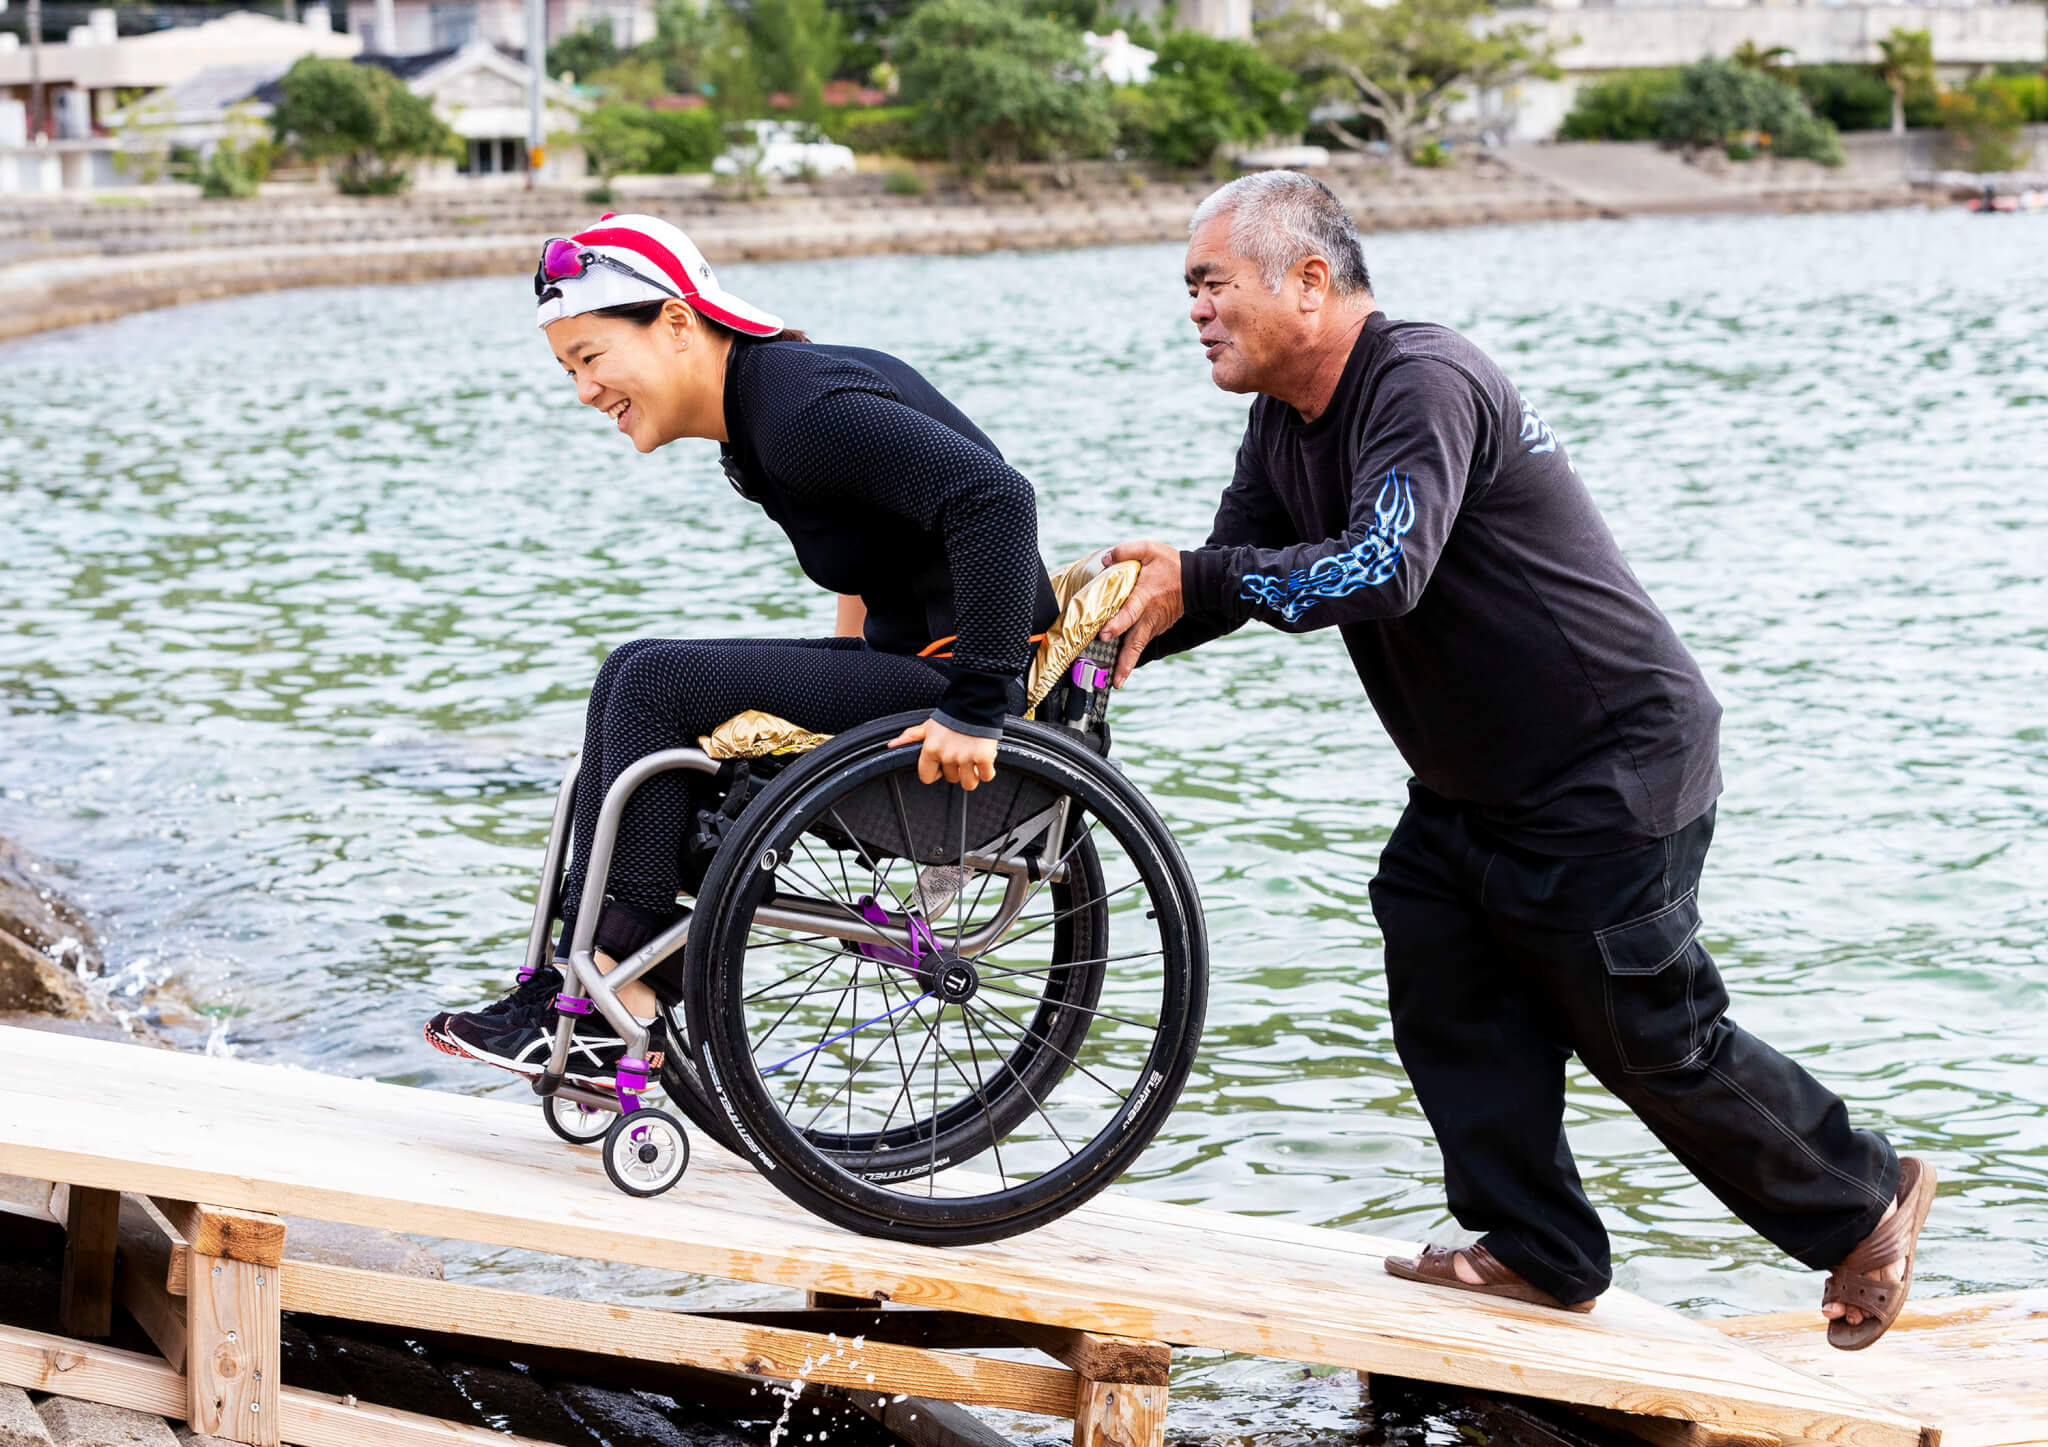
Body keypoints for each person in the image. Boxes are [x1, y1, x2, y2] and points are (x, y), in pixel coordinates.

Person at [1101, 172, 1935, 1349]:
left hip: (1610, 764)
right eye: (1187, 287)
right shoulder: (1282, 422)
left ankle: (1864, 1196)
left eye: (1210, 282)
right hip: (1477, 782)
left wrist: (1201, 575)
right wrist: (1090, 628)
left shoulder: (1419, 380)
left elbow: (1379, 568)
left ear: (1308, 281)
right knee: (1439, 961)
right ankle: (1539, 1249)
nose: (1193, 308)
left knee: (1644, 1031)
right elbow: (1233, 575)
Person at [424, 213, 1057, 1088]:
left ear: (677, 323)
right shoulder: (757, 420)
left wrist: (978, 705)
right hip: (918, 666)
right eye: (568, 369)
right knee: (629, 673)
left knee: (654, 679)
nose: (583, 391)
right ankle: (578, 975)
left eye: (592, 357)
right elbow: (869, 556)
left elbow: (997, 499)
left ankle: (622, 981)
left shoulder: (797, 408)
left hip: (961, 689)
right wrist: (835, 683)